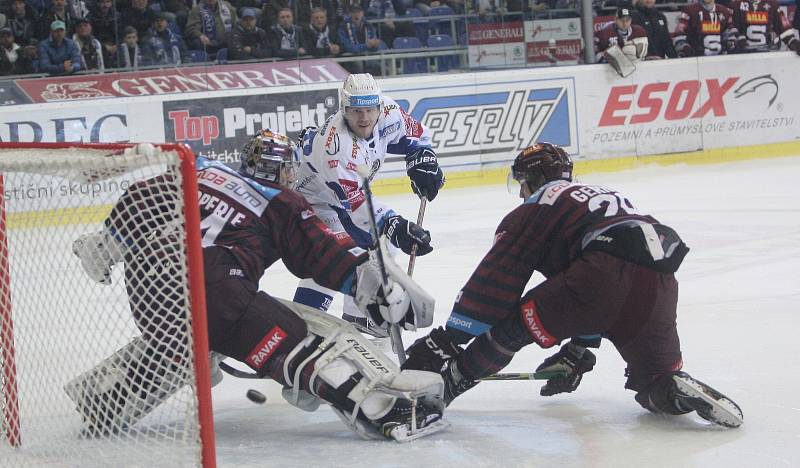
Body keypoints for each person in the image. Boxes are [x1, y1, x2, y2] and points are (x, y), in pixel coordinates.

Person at [68, 132, 447, 442]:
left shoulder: (202, 170)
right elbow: (321, 253)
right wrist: (374, 285)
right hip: (217, 287)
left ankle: (107, 399)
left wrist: (105, 246)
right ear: (284, 170)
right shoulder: (281, 200)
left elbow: (138, 201)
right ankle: (390, 410)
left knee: (195, 337)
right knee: (310, 335)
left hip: (149, 285)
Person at [402, 142, 744, 429]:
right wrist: (579, 351)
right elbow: (603, 280)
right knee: (652, 383)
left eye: (521, 182)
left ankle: (441, 393)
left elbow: (496, 283)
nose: (520, 192)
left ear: (533, 179)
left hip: (602, 276)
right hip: (661, 283)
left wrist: (449, 339)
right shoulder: (603, 193)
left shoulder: (538, 204)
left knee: (513, 329)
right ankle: (672, 388)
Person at [292, 73, 444, 337]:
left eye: (369, 110)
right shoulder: (336, 147)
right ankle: (299, 329)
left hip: (339, 199)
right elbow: (358, 207)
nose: (364, 118)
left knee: (380, 251)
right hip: (311, 198)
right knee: (333, 256)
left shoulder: (389, 111)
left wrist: (422, 159)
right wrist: (394, 223)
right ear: (344, 110)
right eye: (356, 111)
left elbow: (417, 136)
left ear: (378, 106)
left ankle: (358, 316)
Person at [594, 4, 649, 77]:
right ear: (616, 20)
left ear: (631, 20)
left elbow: (646, 50)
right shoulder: (605, 32)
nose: (625, 23)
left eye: (627, 20)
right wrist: (607, 55)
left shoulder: (640, 31)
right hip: (611, 73)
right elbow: (595, 55)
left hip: (638, 68)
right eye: (621, 20)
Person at [728, 0, 800, 54]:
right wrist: (738, 38)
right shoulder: (736, 4)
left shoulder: (772, 4)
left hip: (765, 55)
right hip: (741, 56)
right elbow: (730, 26)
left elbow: (783, 28)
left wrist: (793, 42)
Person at [673, 0, 737, 57]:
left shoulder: (724, 11)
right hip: (697, 60)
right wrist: (685, 48)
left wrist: (732, 42)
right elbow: (679, 35)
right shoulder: (689, 11)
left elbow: (731, 33)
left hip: (720, 59)